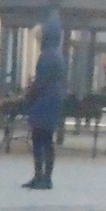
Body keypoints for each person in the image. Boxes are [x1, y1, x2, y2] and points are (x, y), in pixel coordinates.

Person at [22, 22, 67, 190]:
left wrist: (28, 97)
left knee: (41, 140)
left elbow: (41, 82)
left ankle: (43, 177)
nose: (37, 41)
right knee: (45, 139)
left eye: (39, 38)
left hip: (44, 101)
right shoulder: (57, 54)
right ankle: (42, 177)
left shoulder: (47, 56)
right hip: (52, 100)